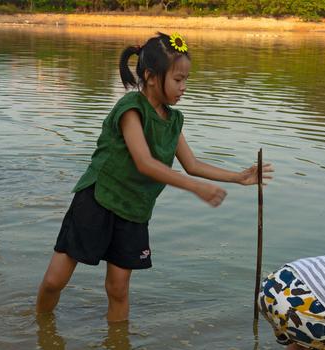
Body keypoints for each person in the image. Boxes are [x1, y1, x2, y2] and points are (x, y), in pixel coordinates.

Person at [36, 32, 273, 321]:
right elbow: (145, 163)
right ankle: (40, 329)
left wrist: (238, 177)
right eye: (177, 79)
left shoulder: (173, 120)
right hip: (98, 199)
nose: (183, 87)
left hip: (135, 210)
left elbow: (192, 163)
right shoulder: (130, 108)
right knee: (54, 281)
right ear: (150, 76)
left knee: (118, 289)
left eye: (186, 79)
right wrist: (196, 188)